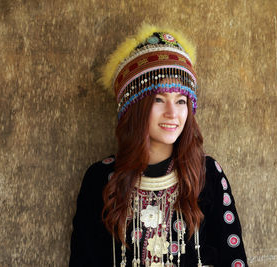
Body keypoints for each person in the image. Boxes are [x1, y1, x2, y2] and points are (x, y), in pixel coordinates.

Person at [70, 25, 247, 267]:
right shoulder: (101, 179)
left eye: (181, 100)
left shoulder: (207, 175)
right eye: (159, 99)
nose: (172, 113)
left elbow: (233, 259)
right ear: (134, 107)